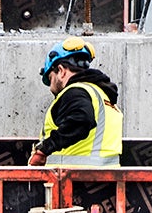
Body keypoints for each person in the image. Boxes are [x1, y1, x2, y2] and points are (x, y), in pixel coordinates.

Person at [26, 37, 123, 168]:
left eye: (50, 78)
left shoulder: (76, 92)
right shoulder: (102, 95)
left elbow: (81, 121)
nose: (51, 88)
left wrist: (44, 149)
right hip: (106, 182)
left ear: (60, 71)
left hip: (74, 182)